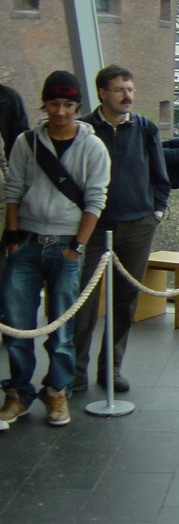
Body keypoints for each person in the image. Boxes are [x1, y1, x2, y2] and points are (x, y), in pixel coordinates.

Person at [0, 71, 110, 427]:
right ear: (44, 105)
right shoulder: (25, 143)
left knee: (61, 329)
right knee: (16, 325)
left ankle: (57, 391)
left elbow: (96, 200)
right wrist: (13, 237)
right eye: (53, 103)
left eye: (67, 104)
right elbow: (13, 190)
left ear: (78, 107)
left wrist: (77, 246)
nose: (60, 111)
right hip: (27, 244)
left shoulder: (93, 148)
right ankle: (18, 393)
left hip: (66, 246)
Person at [72, 65, 171, 393]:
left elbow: (160, 175)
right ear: (102, 93)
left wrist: (155, 212)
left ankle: (111, 369)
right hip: (94, 229)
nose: (127, 96)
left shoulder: (144, 128)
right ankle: (76, 371)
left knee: (125, 301)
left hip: (137, 227)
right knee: (83, 300)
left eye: (130, 90)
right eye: (119, 90)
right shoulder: (83, 129)